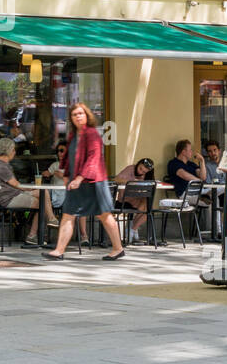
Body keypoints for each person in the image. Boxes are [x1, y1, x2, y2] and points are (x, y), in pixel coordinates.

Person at [42, 103, 126, 261]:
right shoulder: (74, 136)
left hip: (94, 182)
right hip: (76, 183)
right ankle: (59, 251)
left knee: (104, 215)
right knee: (68, 215)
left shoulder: (92, 134)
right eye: (74, 114)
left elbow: (93, 158)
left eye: (80, 113)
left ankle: (118, 248)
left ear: (87, 115)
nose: (78, 116)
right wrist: (67, 176)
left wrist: (80, 178)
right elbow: (67, 158)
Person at [0, 137, 53, 248]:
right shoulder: (1, 166)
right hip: (9, 198)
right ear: (7, 151)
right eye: (13, 150)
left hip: (13, 195)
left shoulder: (2, 165)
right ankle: (37, 231)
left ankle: (47, 224)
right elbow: (16, 184)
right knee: (41, 202)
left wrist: (31, 188)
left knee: (43, 193)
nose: (14, 152)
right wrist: (31, 188)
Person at [41, 141, 86, 248]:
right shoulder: (55, 165)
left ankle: (84, 236)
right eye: (58, 151)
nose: (60, 153)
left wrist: (56, 173)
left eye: (62, 151)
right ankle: (45, 237)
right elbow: (46, 173)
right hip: (56, 195)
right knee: (42, 202)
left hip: (70, 196)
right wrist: (45, 173)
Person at [114, 158, 155, 243]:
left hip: (137, 199)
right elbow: (116, 179)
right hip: (124, 200)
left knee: (148, 206)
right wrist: (131, 181)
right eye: (140, 169)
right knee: (146, 208)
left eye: (144, 172)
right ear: (138, 164)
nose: (140, 172)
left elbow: (150, 185)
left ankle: (132, 228)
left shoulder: (148, 175)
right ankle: (132, 229)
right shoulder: (130, 169)